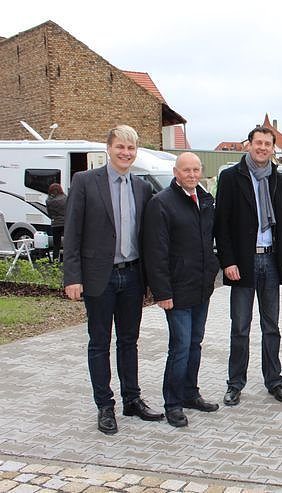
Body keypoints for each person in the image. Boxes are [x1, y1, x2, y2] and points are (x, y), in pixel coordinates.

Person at [63, 124, 164, 435]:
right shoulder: (85, 182)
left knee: (129, 341)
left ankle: (131, 399)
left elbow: (148, 237)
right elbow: (72, 232)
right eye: (120, 147)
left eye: (131, 148)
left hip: (132, 275)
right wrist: (72, 277)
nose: (126, 153)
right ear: (108, 149)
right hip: (99, 276)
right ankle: (105, 405)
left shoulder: (142, 188)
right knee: (99, 343)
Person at [214, 126, 282, 405]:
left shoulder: (278, 180)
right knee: (240, 327)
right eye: (258, 143)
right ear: (249, 145)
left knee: (271, 327)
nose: (262, 148)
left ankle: (274, 381)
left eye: (267, 144)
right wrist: (228, 261)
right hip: (243, 262)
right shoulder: (231, 177)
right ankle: (235, 384)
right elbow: (221, 224)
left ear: (273, 148)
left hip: (270, 259)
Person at [142, 152, 221, 427]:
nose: (192, 174)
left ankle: (190, 393)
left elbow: (210, 238)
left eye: (196, 170)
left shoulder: (205, 199)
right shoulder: (162, 203)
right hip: (176, 291)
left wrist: (213, 268)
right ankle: (173, 403)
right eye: (186, 170)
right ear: (176, 172)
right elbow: (156, 251)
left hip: (201, 287)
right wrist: (162, 292)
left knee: (195, 343)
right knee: (180, 346)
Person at [46, 183, 66, 261]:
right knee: (67, 242)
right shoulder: (65, 198)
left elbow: (49, 213)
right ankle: (65, 259)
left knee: (56, 244)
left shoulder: (48, 201)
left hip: (55, 224)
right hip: (65, 223)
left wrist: (54, 218)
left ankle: (55, 261)